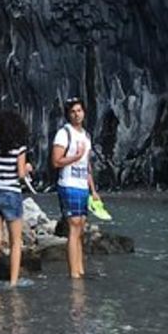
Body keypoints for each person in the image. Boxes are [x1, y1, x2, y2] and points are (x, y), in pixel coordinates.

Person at [51, 97, 99, 279]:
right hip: (68, 184)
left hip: (82, 186)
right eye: (73, 111)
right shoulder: (64, 134)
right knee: (74, 226)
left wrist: (93, 191)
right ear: (68, 115)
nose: (77, 114)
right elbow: (56, 161)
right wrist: (75, 156)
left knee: (81, 228)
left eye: (79, 110)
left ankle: (80, 269)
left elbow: (87, 165)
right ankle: (73, 273)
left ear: (84, 113)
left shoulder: (86, 136)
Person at [0, 108, 28, 288]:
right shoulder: (19, 147)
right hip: (11, 193)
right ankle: (13, 282)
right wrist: (28, 169)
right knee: (16, 242)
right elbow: (21, 174)